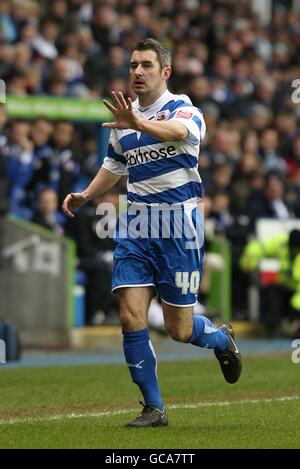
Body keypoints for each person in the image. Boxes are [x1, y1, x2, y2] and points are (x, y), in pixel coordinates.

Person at [62, 38, 242, 428]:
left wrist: (139, 123)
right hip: (137, 226)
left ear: (165, 72)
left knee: (179, 329)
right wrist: (87, 195)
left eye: (146, 65)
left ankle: (220, 337)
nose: (137, 72)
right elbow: (115, 165)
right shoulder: (121, 121)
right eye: (132, 65)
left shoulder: (183, 108)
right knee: (129, 315)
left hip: (179, 227)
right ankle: (153, 407)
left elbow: (178, 133)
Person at [240, 228, 300, 337]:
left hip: (297, 295)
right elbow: (258, 247)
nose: (294, 252)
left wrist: (296, 313)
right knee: (272, 290)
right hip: (286, 286)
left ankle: (292, 326)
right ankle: (274, 329)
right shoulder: (281, 243)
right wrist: (249, 260)